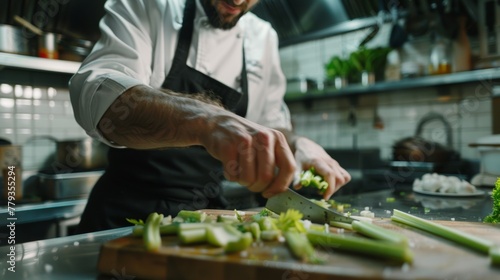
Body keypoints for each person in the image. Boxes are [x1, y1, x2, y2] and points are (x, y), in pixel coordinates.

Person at [69, 0, 351, 234]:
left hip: (207, 221)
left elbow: (271, 122)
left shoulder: (262, 37)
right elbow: (99, 96)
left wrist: (298, 143)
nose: (238, 2)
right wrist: (208, 120)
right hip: (123, 218)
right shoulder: (149, 5)